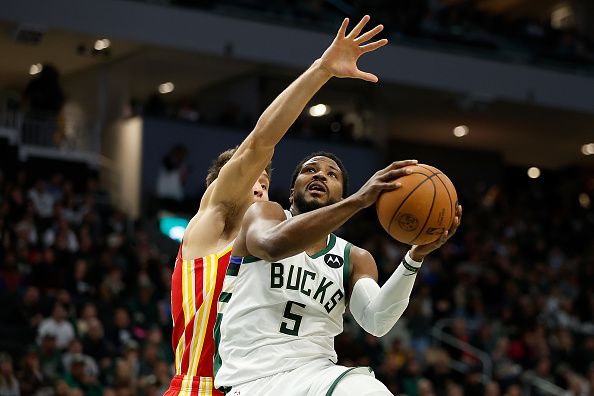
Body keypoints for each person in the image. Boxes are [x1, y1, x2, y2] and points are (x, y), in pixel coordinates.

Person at [165, 15, 389, 396]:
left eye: (267, 185)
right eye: (254, 180)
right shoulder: (213, 225)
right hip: (199, 387)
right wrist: (322, 70)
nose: (260, 190)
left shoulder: (269, 246)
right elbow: (259, 143)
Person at [214, 153, 462, 395]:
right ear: (292, 192)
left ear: (340, 196)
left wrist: (414, 259)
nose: (320, 175)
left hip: (315, 376)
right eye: (310, 170)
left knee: (365, 390)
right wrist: (358, 201)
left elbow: (376, 322)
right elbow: (270, 245)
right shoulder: (266, 214)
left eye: (332, 174)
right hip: (249, 379)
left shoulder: (354, 258)